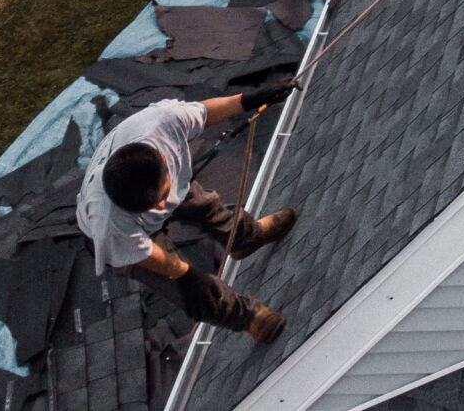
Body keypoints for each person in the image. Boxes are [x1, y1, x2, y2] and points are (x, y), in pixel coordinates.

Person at [77, 85, 301, 343]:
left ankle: (245, 237)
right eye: (152, 207)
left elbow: (205, 112)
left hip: (166, 180)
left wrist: (252, 98)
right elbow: (147, 254)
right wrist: (184, 273)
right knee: (195, 291)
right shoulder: (109, 225)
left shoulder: (165, 122)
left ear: (162, 157)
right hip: (133, 243)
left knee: (205, 205)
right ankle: (249, 317)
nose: (163, 209)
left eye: (161, 198)